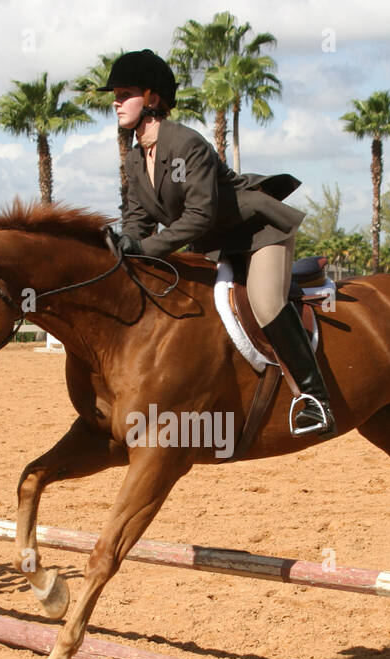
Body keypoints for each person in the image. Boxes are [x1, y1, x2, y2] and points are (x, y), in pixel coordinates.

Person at [99, 49, 335, 438]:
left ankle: (315, 398)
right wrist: (124, 247)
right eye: (116, 95)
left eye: (125, 93)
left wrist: (145, 248)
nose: (116, 102)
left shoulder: (186, 144)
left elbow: (199, 216)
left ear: (152, 98)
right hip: (215, 245)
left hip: (257, 233)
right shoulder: (136, 159)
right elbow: (138, 223)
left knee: (264, 301)